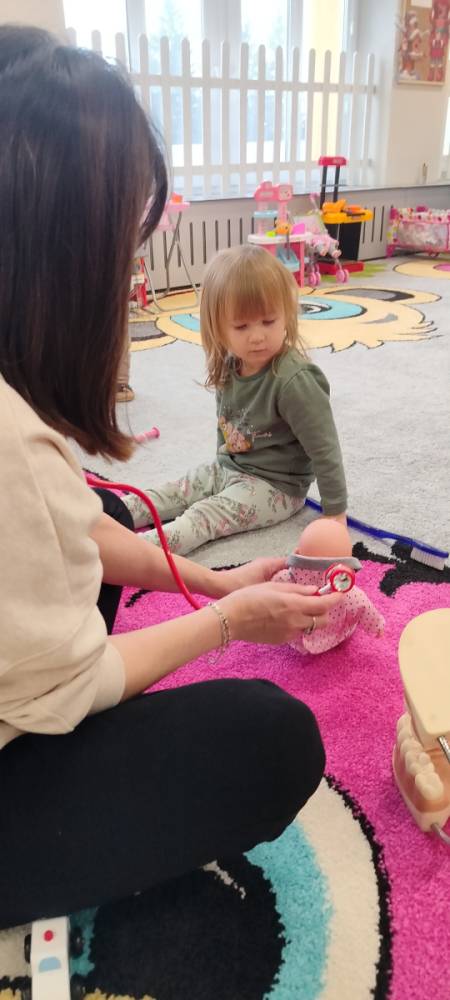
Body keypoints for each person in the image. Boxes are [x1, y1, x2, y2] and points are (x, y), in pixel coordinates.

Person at [0, 25, 343, 931]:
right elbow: (71, 688)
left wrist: (215, 580)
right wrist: (231, 620)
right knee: (272, 738)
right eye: (120, 252)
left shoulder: (291, 378)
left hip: (254, 490)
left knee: (110, 510)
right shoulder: (12, 450)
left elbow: (84, 525)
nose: (128, 284)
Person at [124, 244, 348, 556]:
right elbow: (227, 427)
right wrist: (220, 470)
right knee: (175, 491)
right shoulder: (231, 365)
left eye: (268, 321)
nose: (257, 336)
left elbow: (325, 449)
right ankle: (104, 513)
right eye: (241, 326)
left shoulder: (295, 381)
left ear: (286, 315)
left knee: (203, 516)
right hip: (230, 467)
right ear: (218, 328)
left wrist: (335, 513)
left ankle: (133, 553)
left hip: (276, 487)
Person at [271, 519, 385, 654]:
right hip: (335, 637)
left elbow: (268, 597)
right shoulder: (350, 595)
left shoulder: (284, 580)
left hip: (295, 638)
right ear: (348, 566)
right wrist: (377, 626)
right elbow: (364, 608)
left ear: (297, 553)